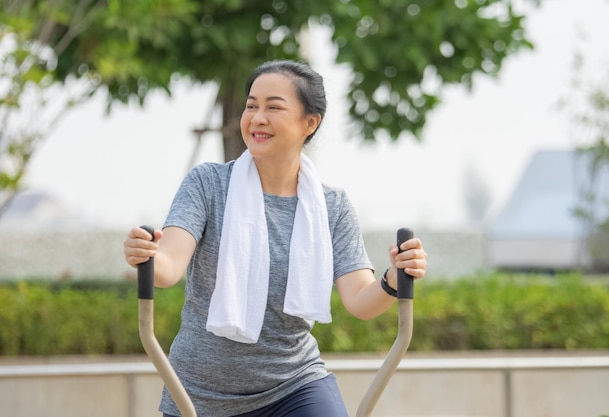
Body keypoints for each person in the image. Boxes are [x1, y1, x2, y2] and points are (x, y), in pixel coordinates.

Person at [123, 59, 428, 417]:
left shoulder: (331, 206)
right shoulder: (207, 184)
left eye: (273, 107)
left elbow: (361, 301)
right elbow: (169, 266)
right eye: (251, 105)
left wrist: (395, 277)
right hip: (199, 394)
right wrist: (146, 255)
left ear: (309, 123)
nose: (257, 117)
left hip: (294, 385)